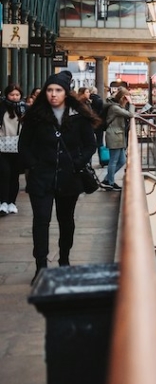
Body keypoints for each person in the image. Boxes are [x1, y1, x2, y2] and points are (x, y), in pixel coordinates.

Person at [19, 70, 99, 282]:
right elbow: (24, 145)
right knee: (41, 220)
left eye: (58, 90)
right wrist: (34, 165)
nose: (53, 94)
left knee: (66, 221)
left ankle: (64, 259)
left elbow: (91, 144)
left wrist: (77, 163)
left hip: (69, 178)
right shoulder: (36, 117)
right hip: (41, 178)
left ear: (66, 93)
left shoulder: (78, 117)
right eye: (49, 90)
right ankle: (41, 266)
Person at [0, 84, 27, 216]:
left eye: (17, 95)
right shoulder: (2, 107)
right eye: (12, 95)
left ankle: (12, 202)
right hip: (2, 145)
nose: (15, 97)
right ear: (7, 95)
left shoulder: (24, 109)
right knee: (4, 174)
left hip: (18, 146)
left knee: (14, 176)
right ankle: (3, 202)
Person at [100, 88, 133, 191]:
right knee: (113, 160)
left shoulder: (117, 106)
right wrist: (131, 104)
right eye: (126, 98)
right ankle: (110, 182)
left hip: (118, 136)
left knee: (122, 160)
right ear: (123, 98)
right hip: (114, 136)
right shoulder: (114, 108)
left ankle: (107, 179)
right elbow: (130, 114)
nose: (128, 100)